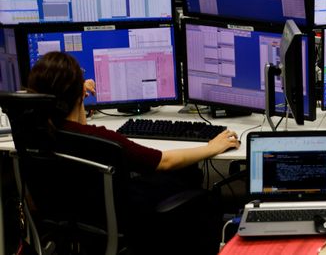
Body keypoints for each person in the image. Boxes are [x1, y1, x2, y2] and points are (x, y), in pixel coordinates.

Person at [25, 51, 240, 253]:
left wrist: (77, 99)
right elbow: (164, 161)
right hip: (120, 214)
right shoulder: (101, 139)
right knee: (195, 183)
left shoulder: (33, 132)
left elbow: (74, 124)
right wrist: (210, 147)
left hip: (75, 210)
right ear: (75, 96)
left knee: (186, 174)